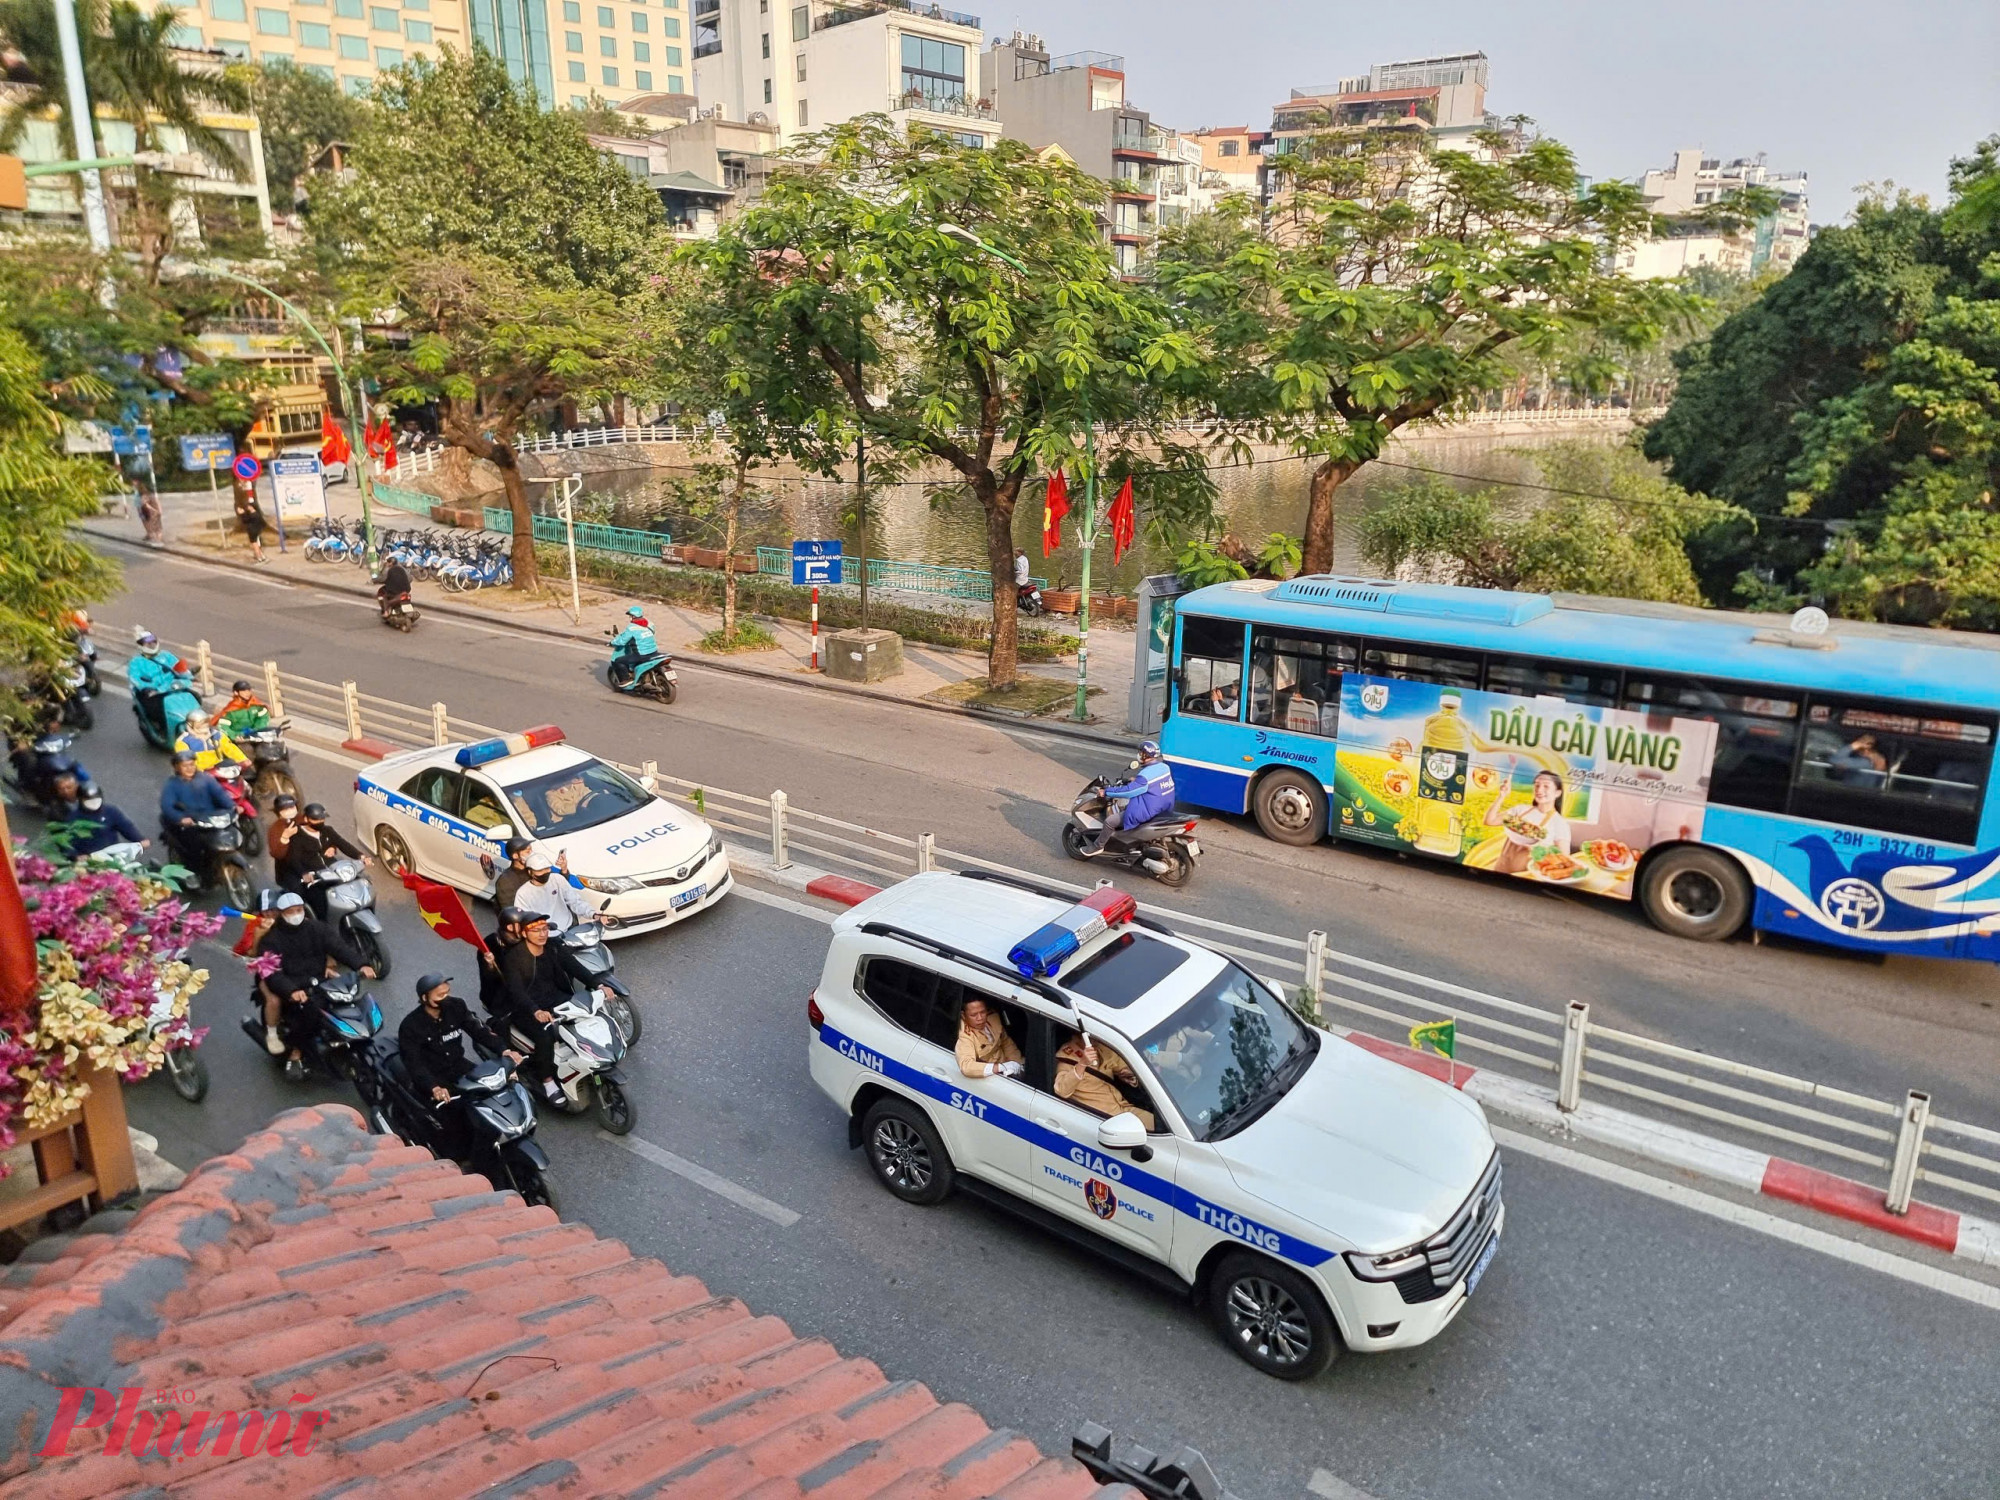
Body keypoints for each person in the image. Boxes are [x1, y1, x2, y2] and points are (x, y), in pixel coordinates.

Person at [398, 974, 523, 1162]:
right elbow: (414, 1063)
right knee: (454, 1119)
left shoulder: (456, 1007)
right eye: (439, 996)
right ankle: (459, 1160)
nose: (445, 998)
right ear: (425, 998)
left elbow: (479, 1030)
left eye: (447, 993)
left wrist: (504, 1050)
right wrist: (434, 1088)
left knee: (492, 1094)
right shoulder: (411, 1026)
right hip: (434, 1077)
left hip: (459, 1066)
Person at [254, 891, 375, 1077]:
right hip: (294, 988)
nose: (296, 914)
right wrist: (291, 990)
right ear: (282, 913)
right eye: (291, 911)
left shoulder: (318, 929)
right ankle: (296, 1051)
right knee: (309, 1016)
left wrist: (362, 964)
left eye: (299, 910)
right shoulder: (270, 940)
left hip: (320, 981)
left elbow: (339, 948)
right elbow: (271, 973)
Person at [496, 912, 571, 1102]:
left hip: (554, 998)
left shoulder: (552, 948)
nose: (542, 934)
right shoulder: (514, 958)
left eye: (545, 929)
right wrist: (535, 1010)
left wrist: (599, 983)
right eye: (536, 930)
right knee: (545, 1036)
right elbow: (517, 991)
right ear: (523, 934)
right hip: (526, 1008)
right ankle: (547, 1080)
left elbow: (574, 965)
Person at [279, 802, 369, 916]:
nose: (320, 822)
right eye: (317, 820)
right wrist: (304, 873)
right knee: (320, 901)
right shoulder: (297, 836)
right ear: (306, 819)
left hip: (332, 870)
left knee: (356, 883)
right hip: (314, 876)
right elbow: (294, 859)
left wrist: (360, 856)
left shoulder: (327, 830)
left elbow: (342, 843)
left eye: (322, 819)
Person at [1054, 1031, 1155, 1131]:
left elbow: (1123, 1067)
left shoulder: (1101, 1047)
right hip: (1106, 1121)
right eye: (1092, 1035)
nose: (1096, 1039)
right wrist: (1082, 1063)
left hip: (1125, 1109)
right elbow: (1062, 1090)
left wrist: (1133, 1075)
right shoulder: (1067, 1058)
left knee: (1158, 1122)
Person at [1483, 766, 1571, 876]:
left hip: (1525, 877)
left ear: (1557, 793)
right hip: (1499, 869)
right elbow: (1490, 821)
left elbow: (1564, 859)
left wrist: (1541, 849)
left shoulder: (1560, 823)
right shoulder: (1521, 810)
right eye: (1537, 785)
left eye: (1546, 786)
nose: (1539, 790)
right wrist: (1501, 796)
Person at [1090, 742, 1176, 853]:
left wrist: (1106, 792)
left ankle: (1098, 846)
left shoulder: (1145, 776)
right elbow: (1153, 784)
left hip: (1149, 810)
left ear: (1146, 755)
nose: (1139, 754)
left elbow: (1129, 792)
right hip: (1164, 807)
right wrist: (1136, 781)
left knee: (1110, 821)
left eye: (1141, 752)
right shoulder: (1164, 767)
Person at [159, 752, 235, 863]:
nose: (189, 768)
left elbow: (220, 794)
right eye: (185, 766)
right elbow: (167, 806)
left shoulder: (206, 779)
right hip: (192, 822)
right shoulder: (172, 785)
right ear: (176, 767)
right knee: (195, 849)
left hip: (211, 818)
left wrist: (232, 806)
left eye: (192, 764)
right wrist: (180, 818)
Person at [127, 630, 198, 739]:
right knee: (159, 710)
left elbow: (179, 669)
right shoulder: (136, 662)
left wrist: (189, 675)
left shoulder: (166, 655)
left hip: (171, 687)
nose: (151, 645)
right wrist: (145, 688)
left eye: (153, 642)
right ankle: (161, 728)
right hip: (153, 692)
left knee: (195, 698)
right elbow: (135, 678)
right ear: (141, 645)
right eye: (148, 643)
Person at [511, 847, 593, 936]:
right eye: (540, 870)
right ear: (530, 872)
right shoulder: (523, 893)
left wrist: (593, 914)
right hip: (546, 936)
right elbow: (524, 919)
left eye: (547, 868)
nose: (545, 872)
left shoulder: (557, 879)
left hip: (569, 927)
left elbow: (575, 902)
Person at [52, 784, 147, 858]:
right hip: (86, 860)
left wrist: (139, 839)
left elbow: (126, 826)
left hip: (112, 856)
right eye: (88, 800)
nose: (93, 803)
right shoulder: (72, 818)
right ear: (81, 800)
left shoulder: (111, 811)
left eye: (96, 799)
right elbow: (63, 842)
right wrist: (75, 856)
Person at [955, 996, 1024, 1080]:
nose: (980, 1018)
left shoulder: (993, 1018)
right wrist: (1000, 1067)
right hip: (992, 1074)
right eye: (974, 1015)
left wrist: (1016, 1063)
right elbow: (967, 1067)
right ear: (963, 1015)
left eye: (983, 1012)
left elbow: (1006, 1043)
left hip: (1009, 1066)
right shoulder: (965, 1036)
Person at [477, 906, 527, 1015]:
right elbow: (489, 976)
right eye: (521, 923)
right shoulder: (490, 944)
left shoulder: (523, 939)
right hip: (500, 998)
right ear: (510, 927)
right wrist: (490, 965)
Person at [173, 709, 250, 773]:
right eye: (200, 724)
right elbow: (186, 762)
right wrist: (198, 772)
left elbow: (230, 748)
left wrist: (243, 760)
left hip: (220, 770)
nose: (204, 726)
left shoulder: (217, 735)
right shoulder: (183, 742)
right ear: (190, 725)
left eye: (206, 723)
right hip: (199, 775)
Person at [608, 605, 658, 686]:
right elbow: (652, 632)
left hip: (641, 654)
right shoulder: (649, 623)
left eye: (630, 616)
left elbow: (622, 641)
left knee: (618, 661)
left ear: (633, 616)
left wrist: (612, 642)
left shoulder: (631, 628)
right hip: (654, 651)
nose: (629, 618)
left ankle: (626, 679)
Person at [491, 837, 537, 910]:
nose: (532, 854)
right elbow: (512, 910)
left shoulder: (533, 869)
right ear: (515, 856)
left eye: (531, 850)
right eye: (528, 852)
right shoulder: (506, 881)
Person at [234, 485, 268, 563]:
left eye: (248, 506)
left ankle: (259, 557)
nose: (247, 507)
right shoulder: (257, 514)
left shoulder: (251, 516)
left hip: (252, 531)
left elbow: (245, 521)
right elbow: (263, 523)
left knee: (254, 544)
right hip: (257, 530)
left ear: (251, 507)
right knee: (257, 543)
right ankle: (262, 556)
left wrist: (241, 514)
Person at [267, 793, 301, 865]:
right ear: (279, 813)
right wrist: (285, 838)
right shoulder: (275, 829)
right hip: (289, 867)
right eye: (285, 809)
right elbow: (277, 854)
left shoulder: (302, 819)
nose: (290, 811)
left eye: (292, 807)